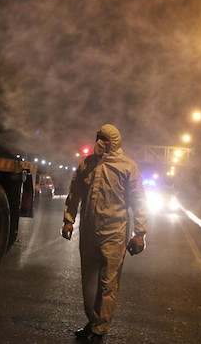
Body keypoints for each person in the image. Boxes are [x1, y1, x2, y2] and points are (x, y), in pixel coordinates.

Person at [62, 124, 148, 343]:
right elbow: (74, 194)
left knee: (108, 283)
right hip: (89, 232)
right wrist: (68, 220)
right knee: (88, 282)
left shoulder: (127, 167)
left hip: (114, 233)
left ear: (114, 142)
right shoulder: (87, 164)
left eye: (103, 138)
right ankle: (92, 320)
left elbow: (139, 201)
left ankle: (99, 330)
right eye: (97, 137)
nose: (99, 141)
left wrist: (140, 233)